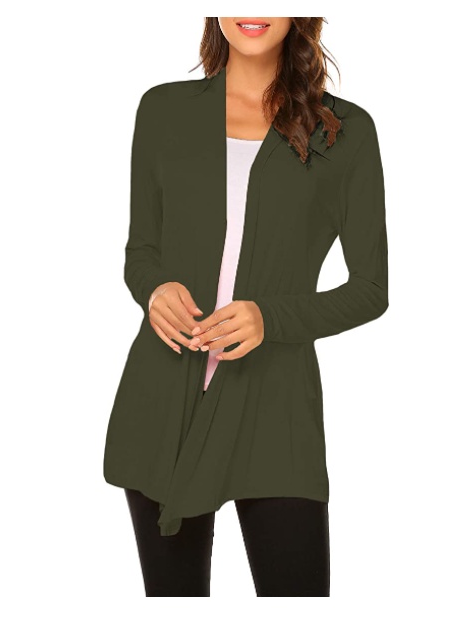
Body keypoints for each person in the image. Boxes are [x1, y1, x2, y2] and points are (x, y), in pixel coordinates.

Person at [104, 17, 389, 597]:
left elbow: (371, 288)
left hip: (276, 407)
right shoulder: (163, 110)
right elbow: (141, 252)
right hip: (163, 401)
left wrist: (270, 317)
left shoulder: (344, 130)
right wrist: (155, 289)